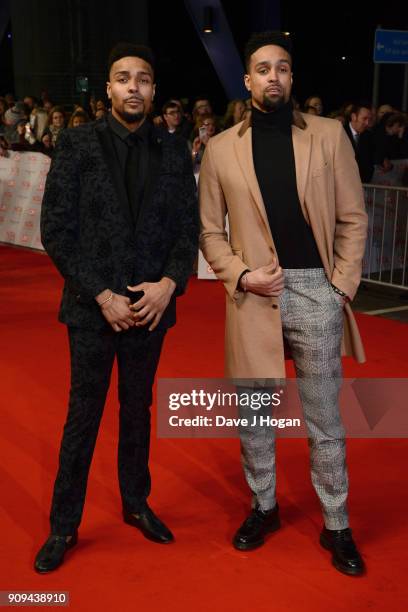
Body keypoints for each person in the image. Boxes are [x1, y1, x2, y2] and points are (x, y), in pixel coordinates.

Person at [199, 31, 368, 576]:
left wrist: (340, 285)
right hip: (253, 296)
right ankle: (264, 507)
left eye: (283, 68)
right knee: (254, 416)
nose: (274, 76)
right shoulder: (221, 147)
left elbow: (353, 217)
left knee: (325, 420)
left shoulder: (328, 134)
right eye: (263, 69)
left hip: (317, 290)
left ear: (292, 78)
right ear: (247, 80)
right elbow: (209, 232)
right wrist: (243, 276)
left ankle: (337, 523)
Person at [34, 42, 198, 573]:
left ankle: (136, 503)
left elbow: (185, 230)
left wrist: (169, 283)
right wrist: (102, 294)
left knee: (137, 411)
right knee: (83, 415)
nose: (134, 86)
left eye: (143, 79)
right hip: (91, 310)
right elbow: (57, 229)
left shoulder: (174, 151)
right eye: (123, 78)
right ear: (107, 89)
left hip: (150, 311)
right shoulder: (77, 144)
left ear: (153, 90)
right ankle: (63, 525)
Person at [344, 102, 374, 183]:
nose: (367, 123)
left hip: (362, 185)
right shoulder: (340, 133)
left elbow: (369, 162)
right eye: (364, 119)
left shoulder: (369, 136)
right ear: (354, 117)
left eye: (369, 119)